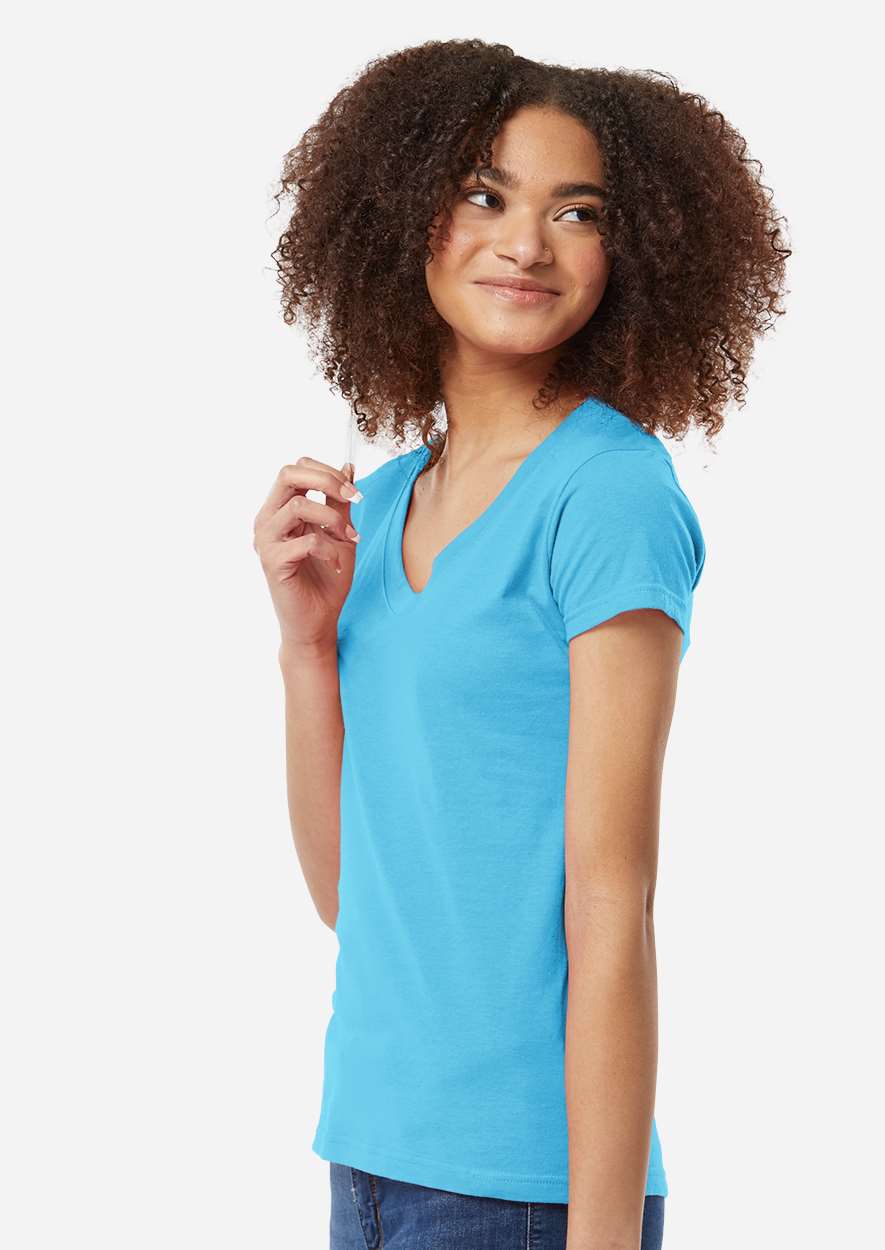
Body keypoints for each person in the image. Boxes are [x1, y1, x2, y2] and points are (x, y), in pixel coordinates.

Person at [254, 39, 789, 1250]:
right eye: (484, 195)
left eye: (577, 211)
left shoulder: (606, 494)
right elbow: (354, 899)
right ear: (404, 216)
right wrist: (305, 648)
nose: (527, 244)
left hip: (528, 1186)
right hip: (368, 1153)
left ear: (630, 252)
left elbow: (613, 900)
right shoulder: (384, 501)